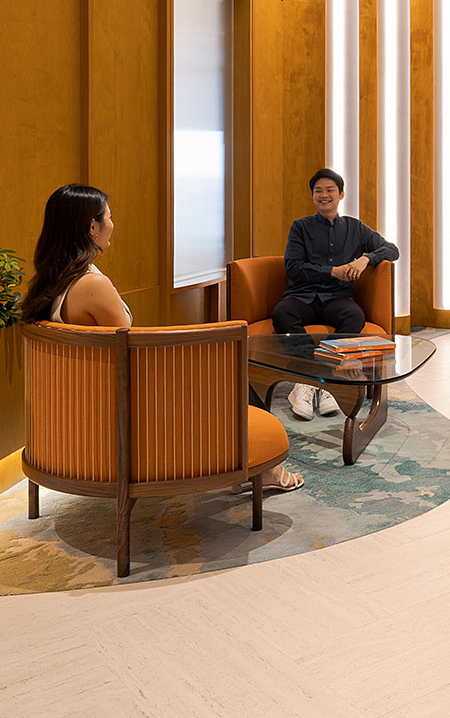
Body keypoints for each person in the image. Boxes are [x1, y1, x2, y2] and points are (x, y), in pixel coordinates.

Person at [22, 184, 302, 492]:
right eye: (109, 217)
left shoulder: (53, 283)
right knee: (233, 370)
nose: (113, 224)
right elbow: (129, 353)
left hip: (91, 403)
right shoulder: (92, 285)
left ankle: (257, 462)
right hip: (127, 406)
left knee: (222, 369)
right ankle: (264, 467)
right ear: (92, 227)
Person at [276, 169, 399, 420]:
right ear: (312, 197)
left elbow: (392, 250)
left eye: (330, 190)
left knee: (354, 316)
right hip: (303, 296)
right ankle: (310, 381)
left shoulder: (355, 228)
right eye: (318, 191)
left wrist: (367, 258)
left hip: (337, 298)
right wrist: (332, 271)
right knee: (282, 313)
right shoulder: (300, 227)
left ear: (341, 194)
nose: (324, 195)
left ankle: (325, 382)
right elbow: (293, 267)